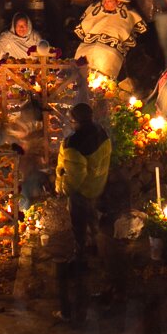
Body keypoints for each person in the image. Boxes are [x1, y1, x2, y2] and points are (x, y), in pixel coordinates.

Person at [56, 102, 111, 255]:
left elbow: (75, 175)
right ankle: (95, 247)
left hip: (81, 190)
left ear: (76, 121)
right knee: (93, 218)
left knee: (78, 224)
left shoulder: (73, 143)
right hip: (97, 185)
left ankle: (80, 256)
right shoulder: (102, 133)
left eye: (71, 121)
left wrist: (63, 189)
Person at [74, 0, 147, 83]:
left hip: (110, 53)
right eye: (104, 0)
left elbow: (123, 33)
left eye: (109, 1)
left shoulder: (127, 15)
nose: (104, 3)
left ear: (118, 2)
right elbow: (86, 25)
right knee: (80, 67)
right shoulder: (96, 8)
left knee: (103, 70)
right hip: (87, 47)